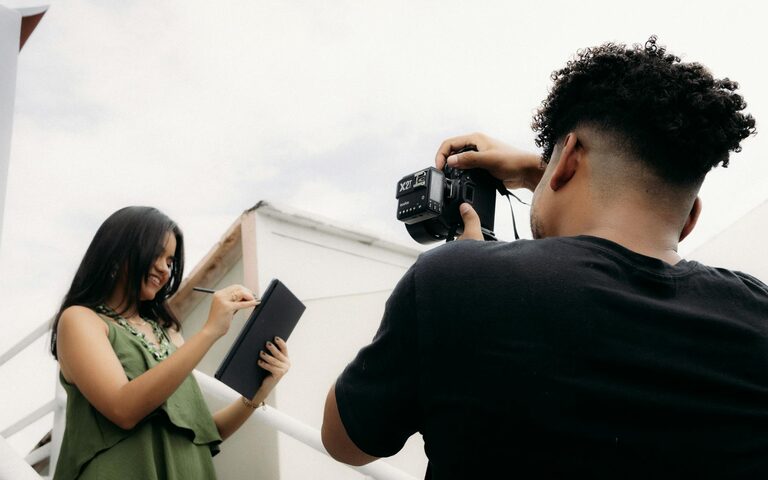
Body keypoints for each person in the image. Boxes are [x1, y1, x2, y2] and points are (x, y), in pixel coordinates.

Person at [321, 36, 766, 478]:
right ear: (690, 218)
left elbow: (345, 443)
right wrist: (547, 172)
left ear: (568, 158)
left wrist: (472, 267)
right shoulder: (756, 316)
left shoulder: (456, 281)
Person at [50, 206, 290, 480]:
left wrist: (257, 392)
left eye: (170, 261)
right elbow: (123, 409)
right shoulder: (80, 320)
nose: (164, 268)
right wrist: (211, 330)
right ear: (118, 250)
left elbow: (200, 433)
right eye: (156, 253)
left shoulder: (170, 335)